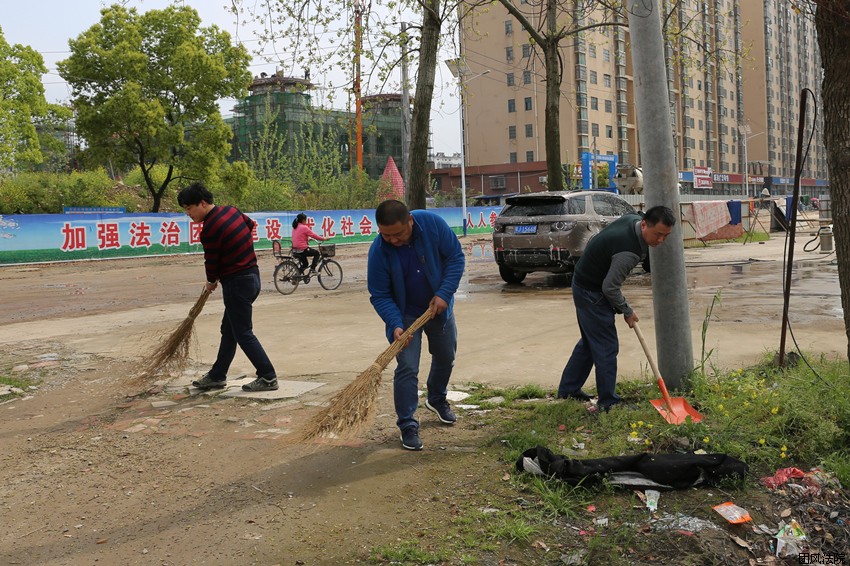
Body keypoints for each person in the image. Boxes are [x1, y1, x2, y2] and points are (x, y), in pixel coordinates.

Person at [367, 200, 466, 451]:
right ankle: (407, 423)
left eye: (398, 234)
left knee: (446, 356)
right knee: (408, 367)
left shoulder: (432, 225)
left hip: (438, 306)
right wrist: (395, 324)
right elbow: (380, 294)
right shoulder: (378, 251)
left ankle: (437, 398)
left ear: (410, 220)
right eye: (386, 235)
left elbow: (455, 258)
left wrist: (444, 293)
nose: (393, 240)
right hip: (405, 315)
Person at [557, 205, 676, 411]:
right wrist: (627, 311)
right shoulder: (629, 253)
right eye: (658, 234)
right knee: (606, 347)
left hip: (583, 280)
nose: (661, 240)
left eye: (666, 236)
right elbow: (610, 287)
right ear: (644, 224)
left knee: (590, 343)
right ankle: (608, 403)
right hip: (592, 292)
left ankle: (569, 389)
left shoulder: (632, 219)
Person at [177, 182, 278, 392]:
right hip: (252, 277)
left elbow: (211, 260)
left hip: (236, 283)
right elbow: (250, 225)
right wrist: (239, 249)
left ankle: (268, 377)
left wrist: (211, 281)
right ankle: (217, 374)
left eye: (189, 208)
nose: (188, 214)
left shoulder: (209, 229)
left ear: (202, 203)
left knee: (243, 332)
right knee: (229, 329)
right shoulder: (232, 211)